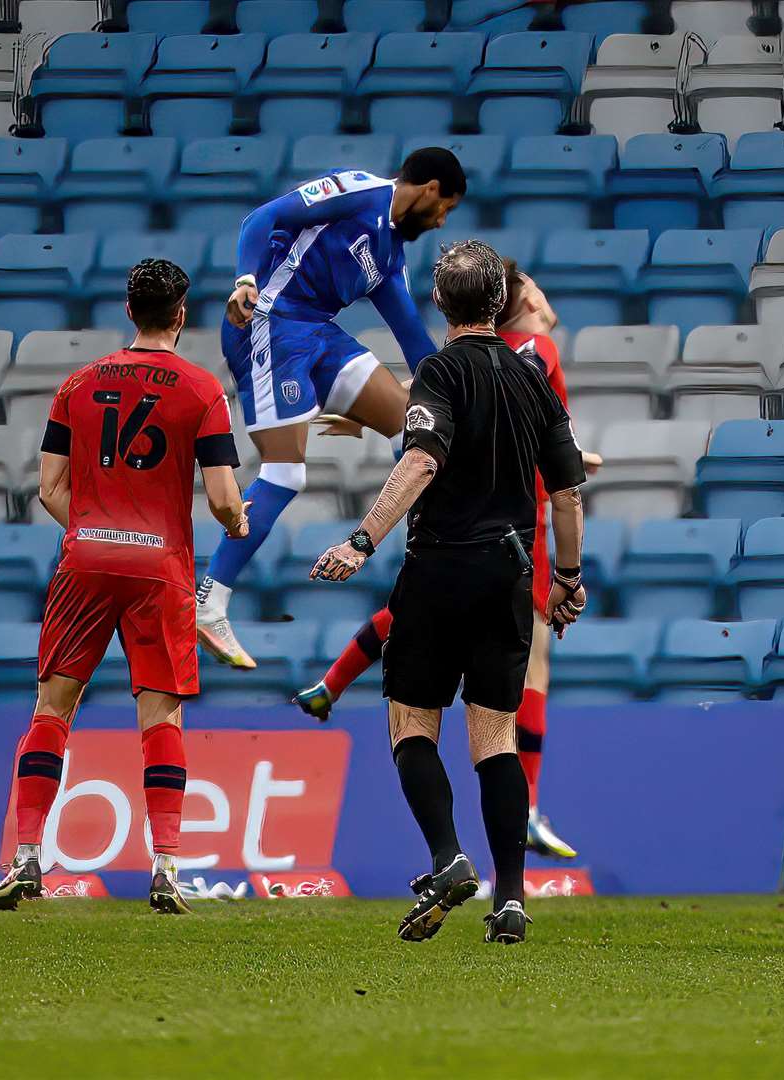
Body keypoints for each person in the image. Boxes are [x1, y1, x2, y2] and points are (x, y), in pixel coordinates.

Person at [310, 240, 588, 945]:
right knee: (494, 737)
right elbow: (566, 494)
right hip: (510, 575)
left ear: (440, 302)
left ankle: (447, 857)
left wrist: (362, 539)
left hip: (439, 570)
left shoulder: (438, 370)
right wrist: (568, 580)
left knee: (411, 725)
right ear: (502, 301)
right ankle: (513, 899)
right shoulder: (534, 378)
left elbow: (422, 461)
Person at [0, 258, 250, 915]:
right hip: (160, 571)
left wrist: (97, 533)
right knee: (161, 716)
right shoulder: (201, 390)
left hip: (86, 562)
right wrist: (241, 522)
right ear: (181, 315)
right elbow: (221, 501)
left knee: (52, 709)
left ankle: (26, 860)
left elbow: (49, 488)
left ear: (129, 311)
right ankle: (164, 869)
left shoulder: (78, 383)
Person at [196, 147, 466, 669]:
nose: (440, 221)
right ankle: (211, 602)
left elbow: (413, 338)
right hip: (270, 323)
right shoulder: (358, 190)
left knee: (415, 420)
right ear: (431, 190)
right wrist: (245, 279)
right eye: (446, 209)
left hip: (317, 332)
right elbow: (262, 217)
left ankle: (435, 547)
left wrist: (463, 388)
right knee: (285, 471)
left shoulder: (389, 258)